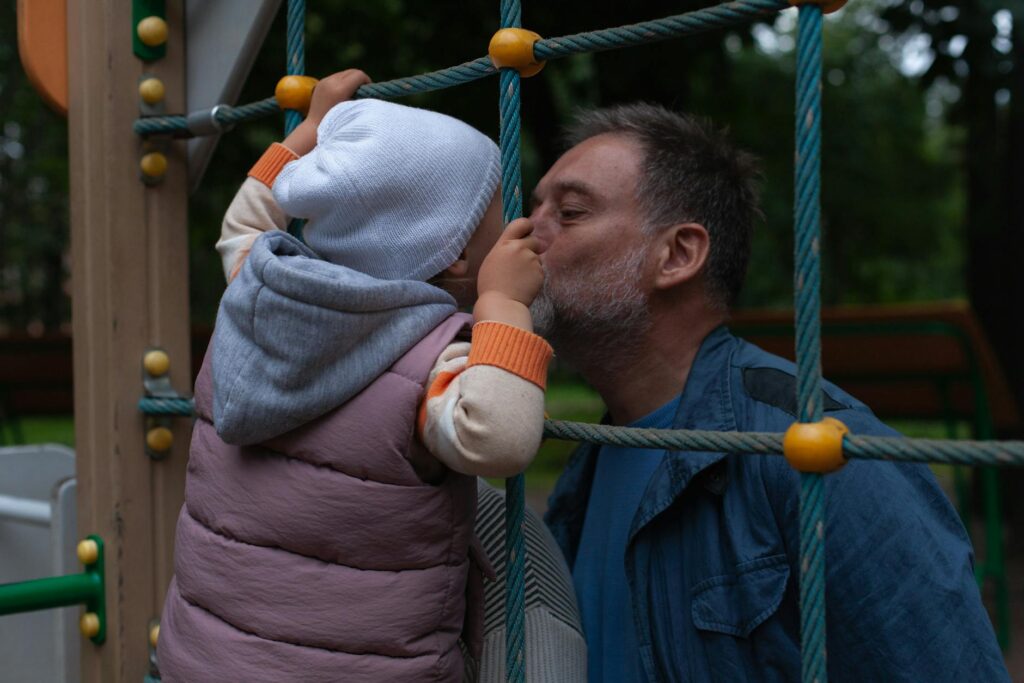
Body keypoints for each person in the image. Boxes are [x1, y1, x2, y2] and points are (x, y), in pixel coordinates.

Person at [533, 103, 1010, 682]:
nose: (525, 234)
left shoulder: (822, 453)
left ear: (677, 255)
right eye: (535, 209)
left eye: (570, 213)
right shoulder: (586, 457)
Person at [157, 71, 585, 682]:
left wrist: (308, 131)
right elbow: (498, 439)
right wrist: (502, 304)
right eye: (497, 207)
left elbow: (242, 229)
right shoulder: (431, 361)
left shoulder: (256, 301)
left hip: (204, 661)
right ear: (457, 254)